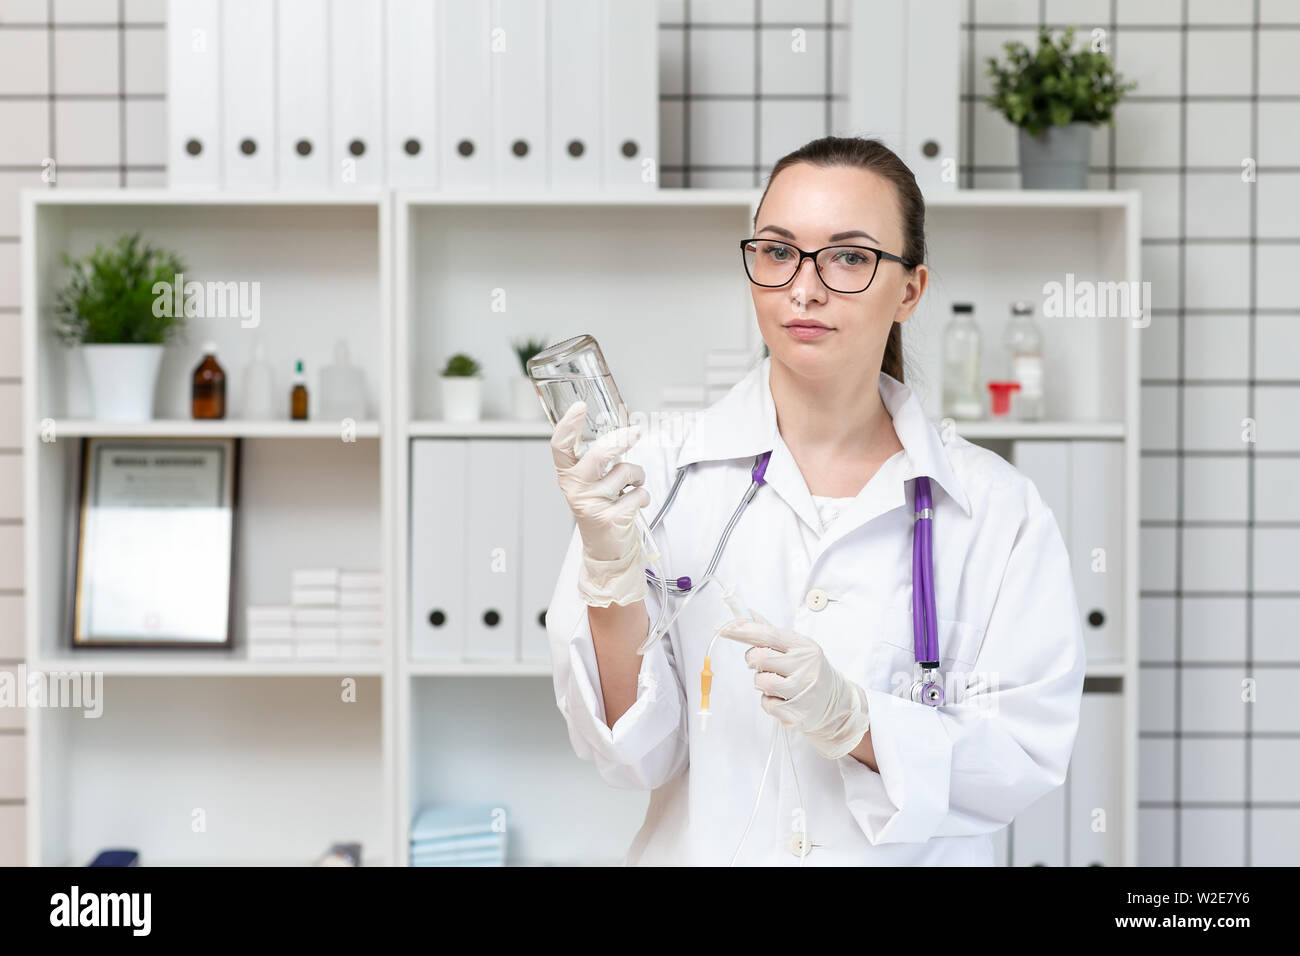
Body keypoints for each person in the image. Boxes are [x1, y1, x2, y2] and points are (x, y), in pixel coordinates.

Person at [543, 135, 1086, 866]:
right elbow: (635, 758)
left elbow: (1024, 753)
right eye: (777, 251)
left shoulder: (996, 512)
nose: (804, 287)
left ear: (910, 290)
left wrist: (857, 723)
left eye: (850, 257)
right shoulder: (651, 480)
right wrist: (610, 577)